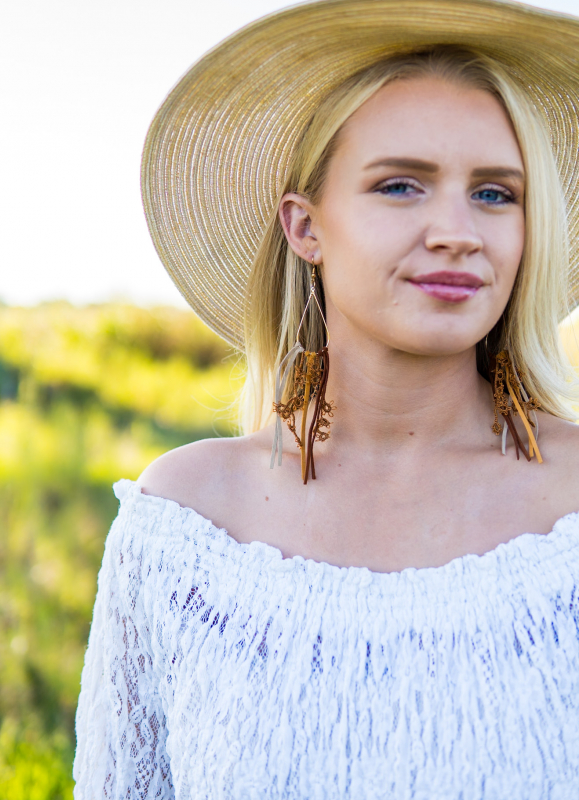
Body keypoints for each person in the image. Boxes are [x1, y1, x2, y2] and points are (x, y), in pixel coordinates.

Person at [73, 0, 579, 797]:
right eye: (401, 185)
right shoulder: (187, 528)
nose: (457, 231)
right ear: (305, 228)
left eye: (494, 194)